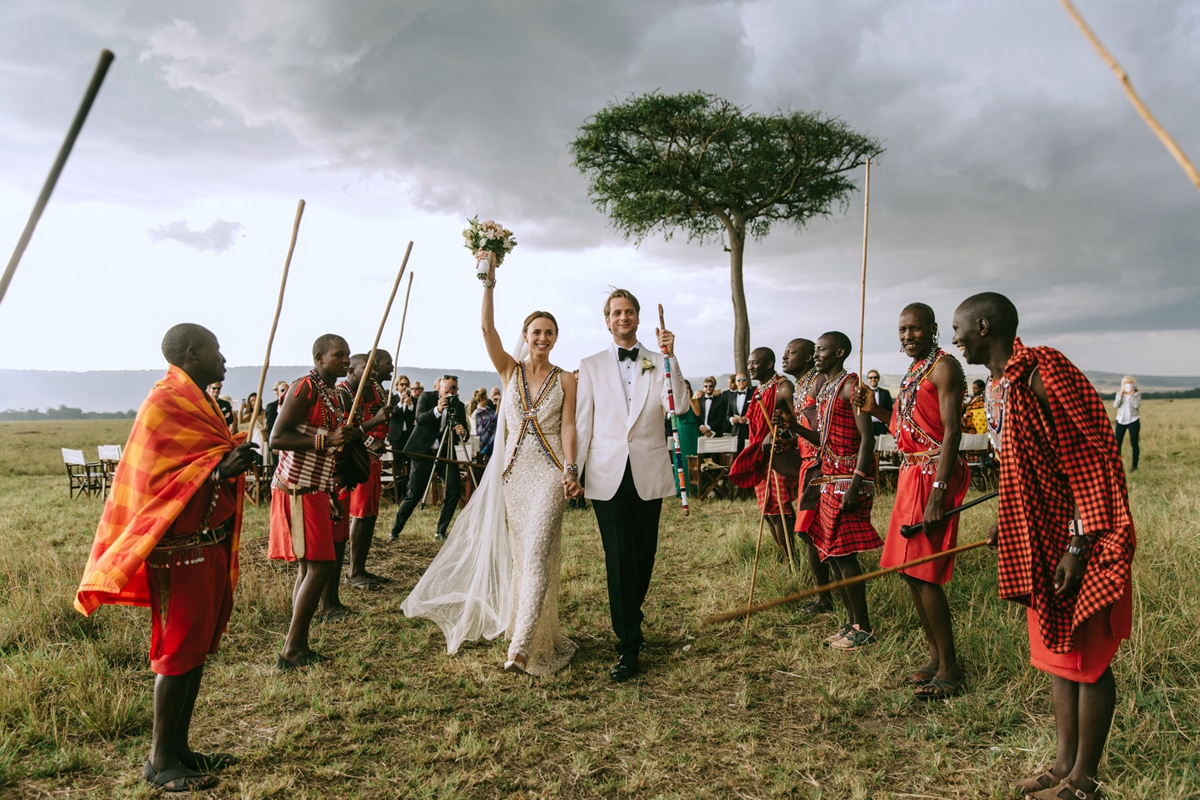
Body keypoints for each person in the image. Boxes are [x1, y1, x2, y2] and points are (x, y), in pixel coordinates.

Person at [951, 292, 1135, 800]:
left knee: (1090, 659)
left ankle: (1084, 781)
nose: (955, 338)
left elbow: (1090, 460)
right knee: (1058, 655)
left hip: (1084, 538)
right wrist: (1006, 521)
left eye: (958, 328)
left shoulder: (1042, 371)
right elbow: (1025, 472)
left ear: (984, 326)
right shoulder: (999, 387)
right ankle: (1061, 768)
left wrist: (1078, 545)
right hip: (1040, 538)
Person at [75, 324, 257, 792]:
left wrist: (229, 459)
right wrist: (221, 469)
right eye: (217, 351)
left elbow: (203, 464)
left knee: (194, 652)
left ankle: (179, 749)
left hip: (206, 543)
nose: (224, 360)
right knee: (176, 653)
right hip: (178, 552)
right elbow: (161, 483)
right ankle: (159, 761)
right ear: (192, 354)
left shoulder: (200, 402)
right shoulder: (164, 404)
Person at [403, 260, 581, 675]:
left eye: (549, 332)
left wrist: (571, 468)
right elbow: (487, 330)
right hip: (515, 475)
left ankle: (519, 648)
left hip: (551, 473)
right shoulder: (509, 371)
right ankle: (531, 631)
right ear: (525, 336)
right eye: (535, 331)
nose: (542, 337)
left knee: (537, 551)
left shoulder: (568, 379)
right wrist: (489, 282)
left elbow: (569, 425)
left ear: (556, 338)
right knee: (523, 557)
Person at [858, 303, 970, 698]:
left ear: (934, 329)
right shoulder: (912, 370)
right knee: (907, 571)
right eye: (903, 330)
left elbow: (952, 432)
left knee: (925, 571)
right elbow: (905, 427)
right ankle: (935, 657)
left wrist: (939, 493)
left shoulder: (944, 367)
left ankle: (952, 669)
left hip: (933, 476)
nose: (907, 336)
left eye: (915, 329)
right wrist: (874, 409)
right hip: (910, 475)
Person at [576, 288, 686, 682]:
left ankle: (630, 617)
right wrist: (575, 470)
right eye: (616, 312)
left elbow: (680, 406)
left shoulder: (659, 362)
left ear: (638, 318)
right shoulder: (589, 366)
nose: (623, 317)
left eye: (629, 312)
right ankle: (628, 644)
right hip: (606, 474)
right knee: (619, 556)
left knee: (644, 556)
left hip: (648, 470)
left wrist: (672, 358)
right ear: (607, 320)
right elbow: (583, 421)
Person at [268, 334, 362, 666]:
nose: (345, 360)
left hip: (316, 490)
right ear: (319, 357)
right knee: (319, 566)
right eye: (339, 355)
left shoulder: (333, 395)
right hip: (296, 490)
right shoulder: (304, 388)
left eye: (348, 355)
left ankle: (297, 645)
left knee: (310, 567)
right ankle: (292, 649)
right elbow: (277, 437)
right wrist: (328, 439)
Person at [795, 331, 882, 650]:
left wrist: (856, 484)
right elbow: (822, 439)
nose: (816, 355)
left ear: (840, 352)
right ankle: (850, 623)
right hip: (828, 476)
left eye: (822, 350)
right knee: (831, 553)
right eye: (815, 350)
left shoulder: (850, 386)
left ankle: (864, 627)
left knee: (845, 555)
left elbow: (867, 439)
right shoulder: (826, 388)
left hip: (848, 480)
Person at [775, 337, 833, 613]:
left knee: (809, 530)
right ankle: (824, 594)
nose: (784, 358)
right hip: (808, 463)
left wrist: (794, 430)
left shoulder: (818, 382)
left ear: (809, 358)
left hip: (821, 465)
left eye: (791, 353)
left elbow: (823, 431)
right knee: (810, 531)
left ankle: (825, 597)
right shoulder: (800, 385)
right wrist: (788, 440)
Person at [729, 347, 796, 561]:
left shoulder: (783, 387)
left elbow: (802, 422)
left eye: (754, 363)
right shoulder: (758, 391)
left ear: (769, 364)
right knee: (767, 511)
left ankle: (791, 559)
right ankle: (783, 555)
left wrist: (781, 433)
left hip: (777, 457)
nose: (750, 367)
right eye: (748, 363)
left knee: (779, 511)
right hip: (759, 456)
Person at [389, 374, 470, 542]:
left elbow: (465, 433)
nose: (449, 392)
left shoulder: (459, 406)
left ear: (457, 390)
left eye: (453, 388)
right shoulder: (426, 397)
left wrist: (463, 432)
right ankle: (395, 531)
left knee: (454, 491)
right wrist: (438, 410)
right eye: (446, 388)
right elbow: (419, 418)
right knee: (414, 494)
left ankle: (440, 531)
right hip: (423, 452)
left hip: (445, 454)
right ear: (438, 388)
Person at [338, 351, 393, 590]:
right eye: (386, 364)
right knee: (360, 514)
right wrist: (371, 443)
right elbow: (347, 427)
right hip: (359, 459)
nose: (373, 374)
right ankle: (353, 572)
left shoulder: (375, 389)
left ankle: (360, 568)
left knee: (370, 514)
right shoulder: (344, 392)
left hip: (372, 460)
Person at [387, 375, 416, 500]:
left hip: (409, 436)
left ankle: (410, 494)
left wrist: (410, 405)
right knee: (397, 465)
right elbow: (391, 415)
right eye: (402, 385)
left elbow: (415, 416)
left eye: (406, 385)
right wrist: (400, 404)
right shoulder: (392, 400)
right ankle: (397, 495)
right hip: (396, 437)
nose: (404, 387)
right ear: (397, 386)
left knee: (410, 464)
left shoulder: (413, 400)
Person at [671, 379, 701, 495]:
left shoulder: (694, 400)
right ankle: (682, 488)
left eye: (687, 388)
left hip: (692, 432)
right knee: (681, 459)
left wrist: (689, 399)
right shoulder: (676, 402)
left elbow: (698, 413)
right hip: (680, 432)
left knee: (693, 460)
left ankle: (695, 488)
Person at [1113, 375, 1141, 471]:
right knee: (1117, 443)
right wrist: (1121, 394)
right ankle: (1117, 466)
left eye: (1130, 383)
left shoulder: (1137, 395)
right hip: (1121, 420)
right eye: (1126, 383)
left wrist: (1132, 394)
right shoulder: (1119, 394)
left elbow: (1136, 406)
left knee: (1134, 443)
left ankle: (1134, 466)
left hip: (1133, 420)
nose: (1128, 385)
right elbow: (1115, 405)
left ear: (1133, 385)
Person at [724, 373, 752, 451]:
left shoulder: (752, 394)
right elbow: (728, 415)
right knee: (735, 456)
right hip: (735, 431)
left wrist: (747, 419)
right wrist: (732, 419)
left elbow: (757, 412)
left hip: (749, 430)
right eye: (738, 380)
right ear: (736, 382)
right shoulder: (731, 396)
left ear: (747, 381)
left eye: (744, 380)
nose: (741, 382)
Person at [864, 370, 893, 436]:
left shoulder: (885, 393)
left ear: (878, 379)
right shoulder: (864, 393)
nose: (873, 379)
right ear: (867, 379)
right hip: (867, 425)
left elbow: (889, 410)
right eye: (870, 378)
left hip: (881, 426)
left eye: (875, 377)